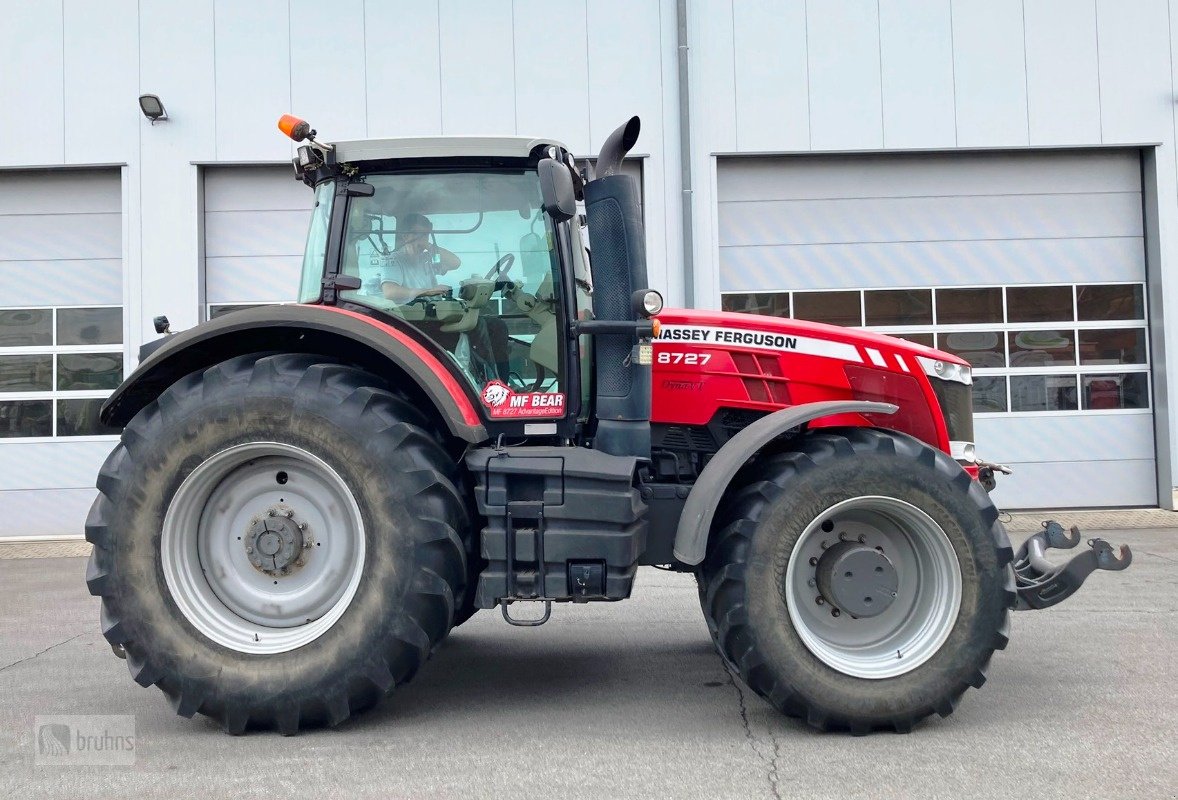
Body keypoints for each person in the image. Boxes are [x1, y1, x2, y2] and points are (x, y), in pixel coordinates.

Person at [380, 213, 461, 303]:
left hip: (433, 311)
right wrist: (428, 292)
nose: (422, 239)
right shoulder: (393, 260)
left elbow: (455, 263)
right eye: (417, 234)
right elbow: (390, 292)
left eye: (425, 235)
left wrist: (429, 246)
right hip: (407, 314)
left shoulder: (430, 258)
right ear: (405, 237)